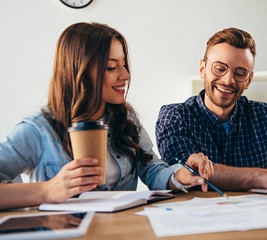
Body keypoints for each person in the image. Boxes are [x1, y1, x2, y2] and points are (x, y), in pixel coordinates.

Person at [0, 22, 213, 210]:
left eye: (124, 64)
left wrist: (179, 175)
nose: (126, 75)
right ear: (79, 71)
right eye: (112, 67)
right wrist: (47, 190)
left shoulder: (125, 118)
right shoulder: (37, 129)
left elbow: (151, 168)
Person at [156, 27, 267, 192]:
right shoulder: (174, 116)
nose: (228, 80)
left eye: (240, 72)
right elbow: (189, 171)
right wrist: (266, 176)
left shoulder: (263, 116)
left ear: (249, 80)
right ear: (203, 69)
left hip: (258, 216)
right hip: (197, 216)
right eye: (220, 68)